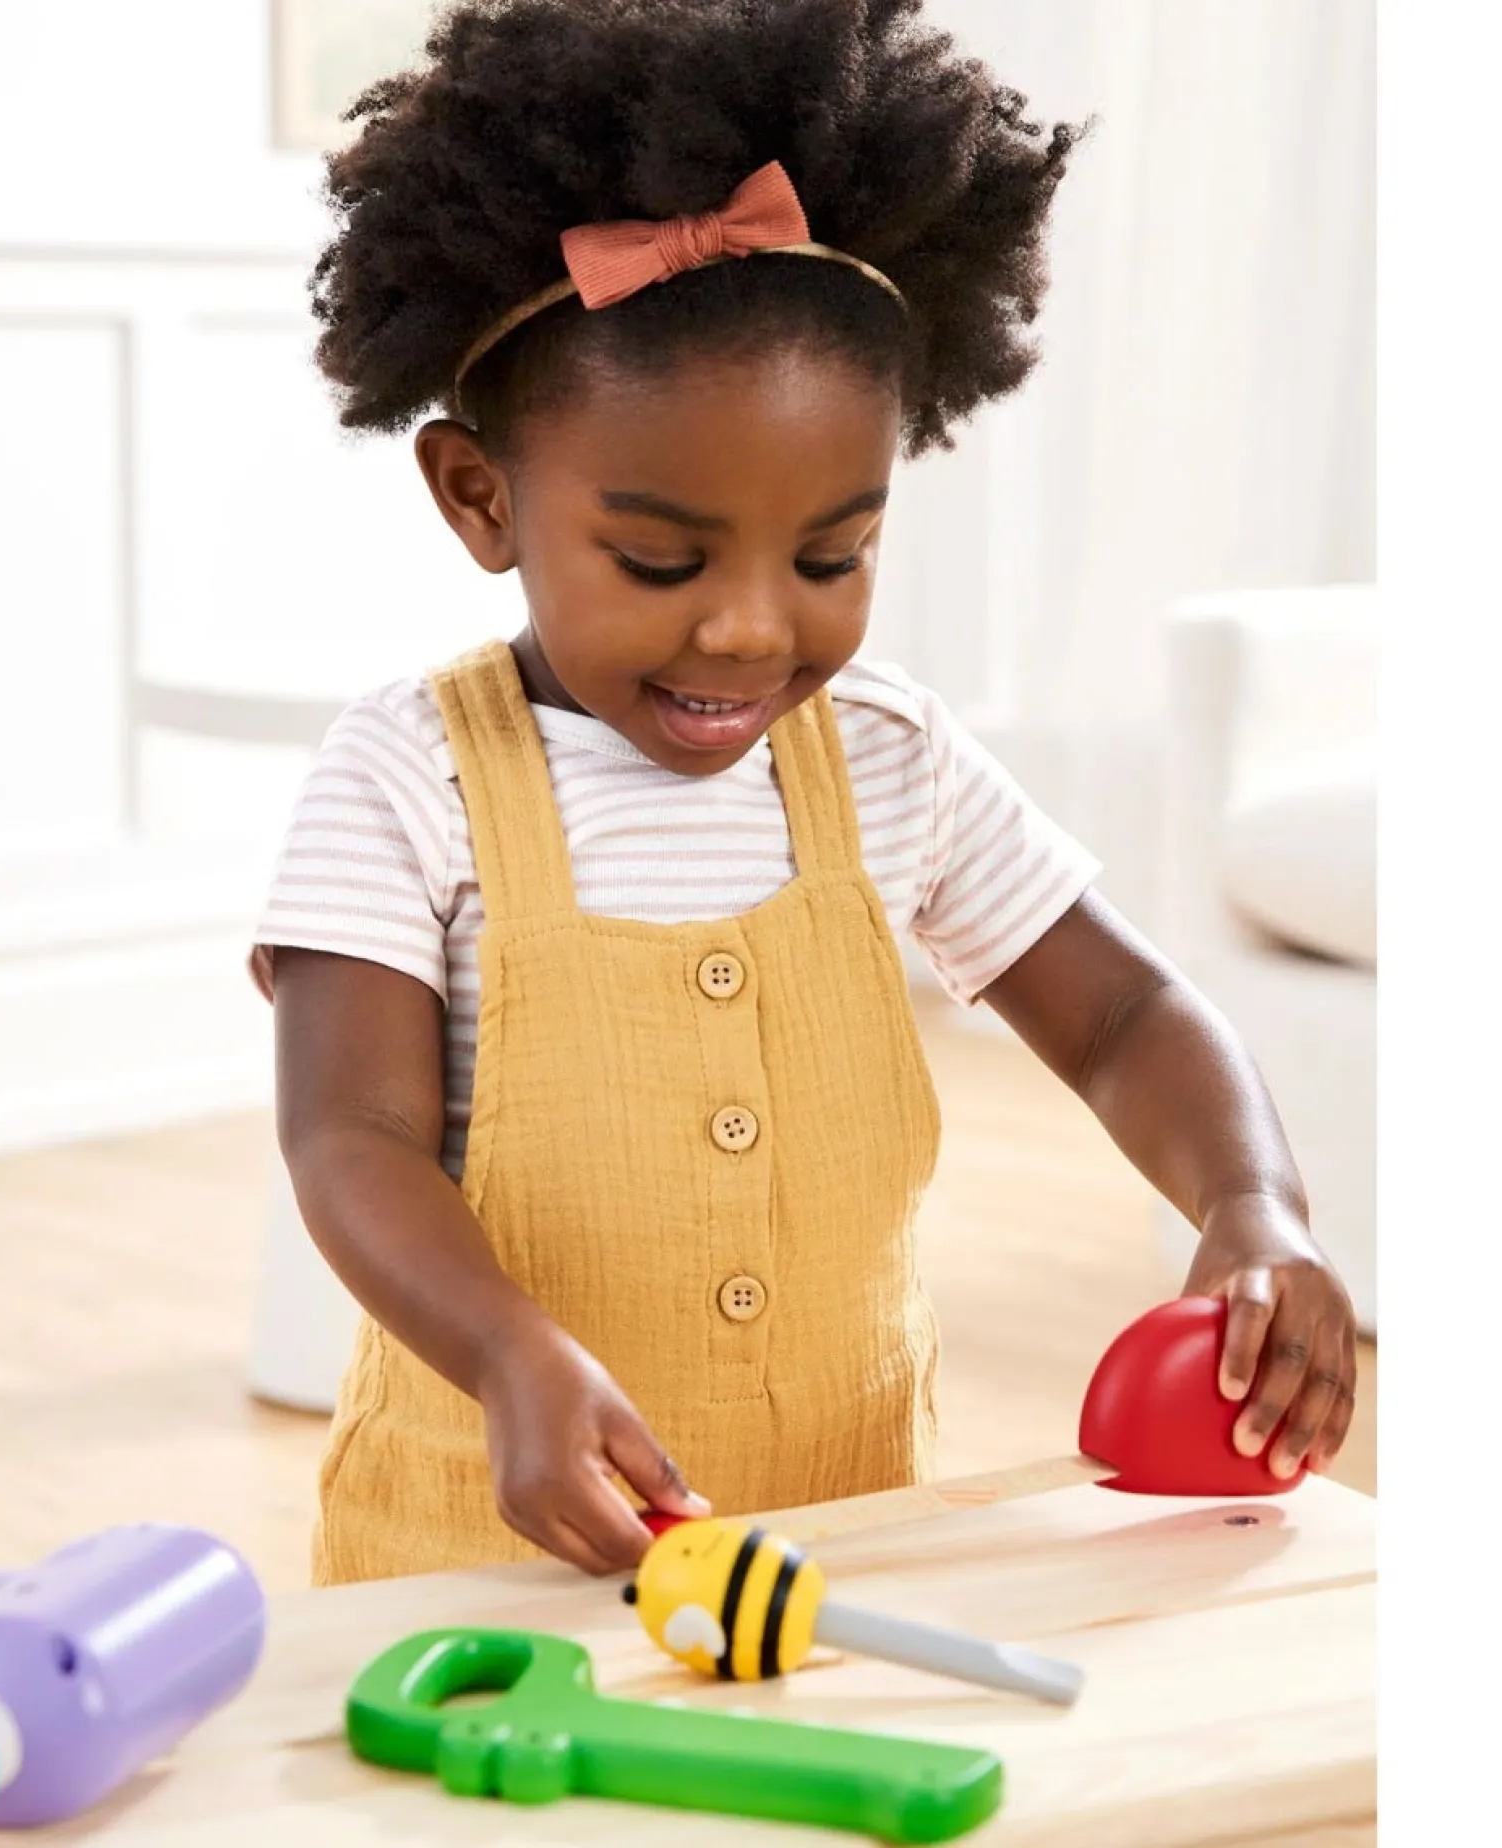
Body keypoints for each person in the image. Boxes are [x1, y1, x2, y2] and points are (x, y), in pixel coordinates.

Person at [251, 0, 1357, 1587]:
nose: (755, 629)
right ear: (481, 497)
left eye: (834, 555)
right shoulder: (407, 778)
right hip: (489, 1563)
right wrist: (503, 1353)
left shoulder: (895, 759)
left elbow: (1123, 1017)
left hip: (843, 1546)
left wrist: (1254, 1201)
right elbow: (349, 1139)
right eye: (660, 561)